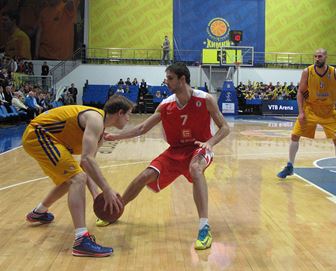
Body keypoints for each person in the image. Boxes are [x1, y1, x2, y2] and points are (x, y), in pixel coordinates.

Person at [101, 63, 230, 250]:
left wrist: (209, 143)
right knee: (143, 177)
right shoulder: (166, 105)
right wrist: (116, 136)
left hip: (199, 148)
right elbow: (142, 128)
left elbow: (225, 128)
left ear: (182, 79)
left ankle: (204, 227)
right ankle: (116, 210)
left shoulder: (206, 99)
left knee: (195, 169)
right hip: (175, 151)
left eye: (170, 78)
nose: (166, 81)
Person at [22, 95, 133, 256]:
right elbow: (87, 160)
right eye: (129, 114)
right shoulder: (95, 119)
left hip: (52, 139)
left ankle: (39, 212)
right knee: (77, 178)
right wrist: (107, 189)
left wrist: (97, 195)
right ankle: (81, 241)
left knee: (73, 178)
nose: (129, 119)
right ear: (120, 113)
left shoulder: (100, 133)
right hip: (39, 134)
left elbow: (86, 166)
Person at [277, 48, 336, 185]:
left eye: (320, 56)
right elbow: (300, 93)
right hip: (310, 109)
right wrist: (301, 112)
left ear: (326, 57)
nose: (317, 58)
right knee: (294, 135)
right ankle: (290, 166)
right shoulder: (307, 72)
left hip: (329, 111)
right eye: (315, 56)